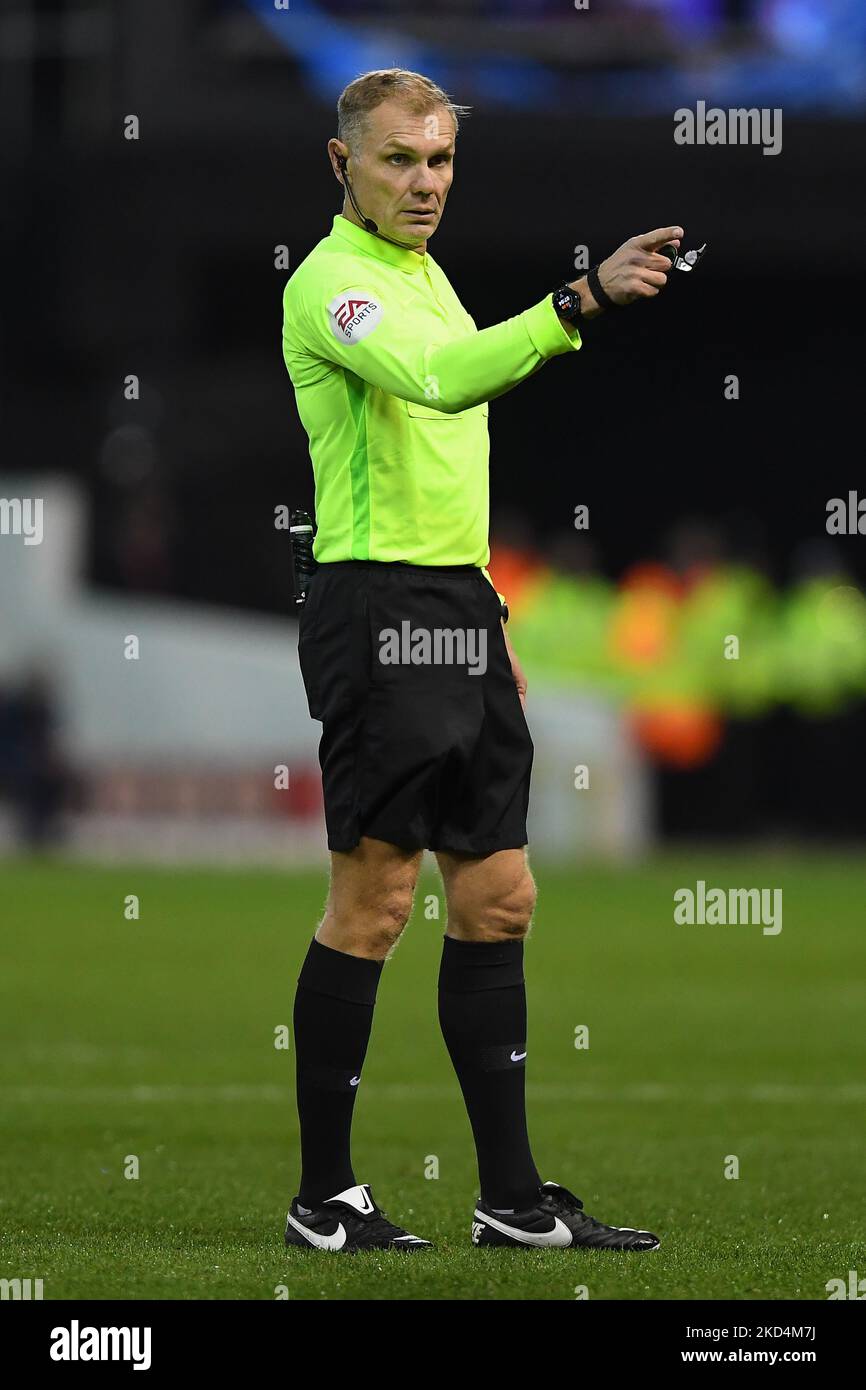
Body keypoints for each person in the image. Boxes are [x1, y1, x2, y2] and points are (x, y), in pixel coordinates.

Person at [281, 67, 680, 1253]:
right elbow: (443, 382)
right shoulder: (332, 287)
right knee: (375, 900)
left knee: (498, 898)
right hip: (373, 602)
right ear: (341, 163)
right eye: (400, 158)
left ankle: (509, 1199)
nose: (424, 182)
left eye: (441, 159)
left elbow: (447, 448)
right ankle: (324, 1196)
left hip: (456, 602)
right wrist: (579, 300)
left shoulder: (426, 276)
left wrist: (486, 612)